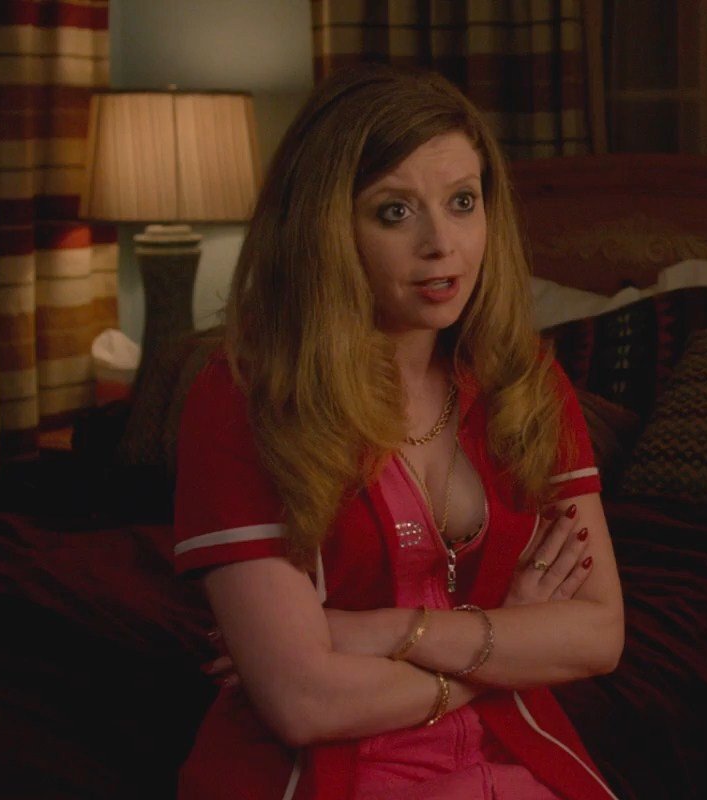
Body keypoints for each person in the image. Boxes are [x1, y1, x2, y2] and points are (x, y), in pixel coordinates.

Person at [169, 65, 624, 800]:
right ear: (325, 229)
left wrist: (386, 632)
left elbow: (599, 633)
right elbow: (304, 703)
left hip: (513, 758)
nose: (441, 243)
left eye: (463, 202)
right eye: (393, 212)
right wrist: (507, 641)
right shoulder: (246, 396)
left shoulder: (524, 382)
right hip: (320, 777)